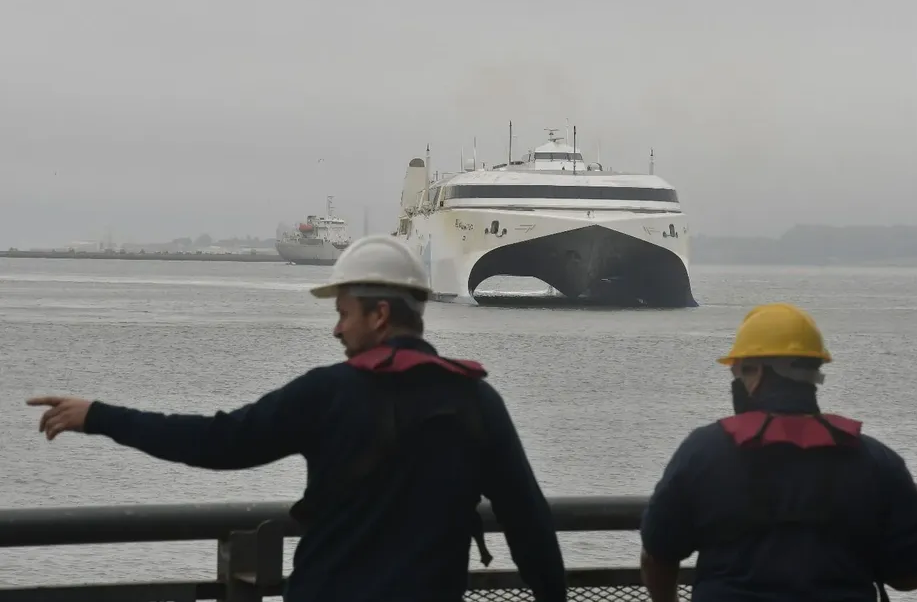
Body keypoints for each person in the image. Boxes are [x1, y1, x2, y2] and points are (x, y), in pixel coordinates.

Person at [28, 234, 567, 602]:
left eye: (343, 314)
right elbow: (529, 522)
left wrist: (100, 416)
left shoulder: (329, 394)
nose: (337, 331)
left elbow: (218, 442)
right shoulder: (476, 400)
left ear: (379, 315)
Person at [638, 303, 917, 602]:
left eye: (738, 373)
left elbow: (657, 554)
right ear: (814, 374)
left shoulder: (702, 452)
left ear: (753, 371)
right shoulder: (877, 461)